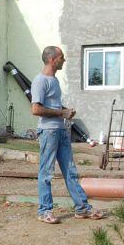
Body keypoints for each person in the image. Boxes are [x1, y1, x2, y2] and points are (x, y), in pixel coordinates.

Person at [31, 45, 103, 224]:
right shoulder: (40, 81)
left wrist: (65, 111)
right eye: (61, 57)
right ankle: (44, 211)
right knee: (46, 172)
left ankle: (82, 208)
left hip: (61, 131)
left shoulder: (54, 81)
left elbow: (54, 106)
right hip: (48, 132)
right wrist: (60, 113)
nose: (64, 60)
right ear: (52, 59)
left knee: (70, 171)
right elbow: (36, 109)